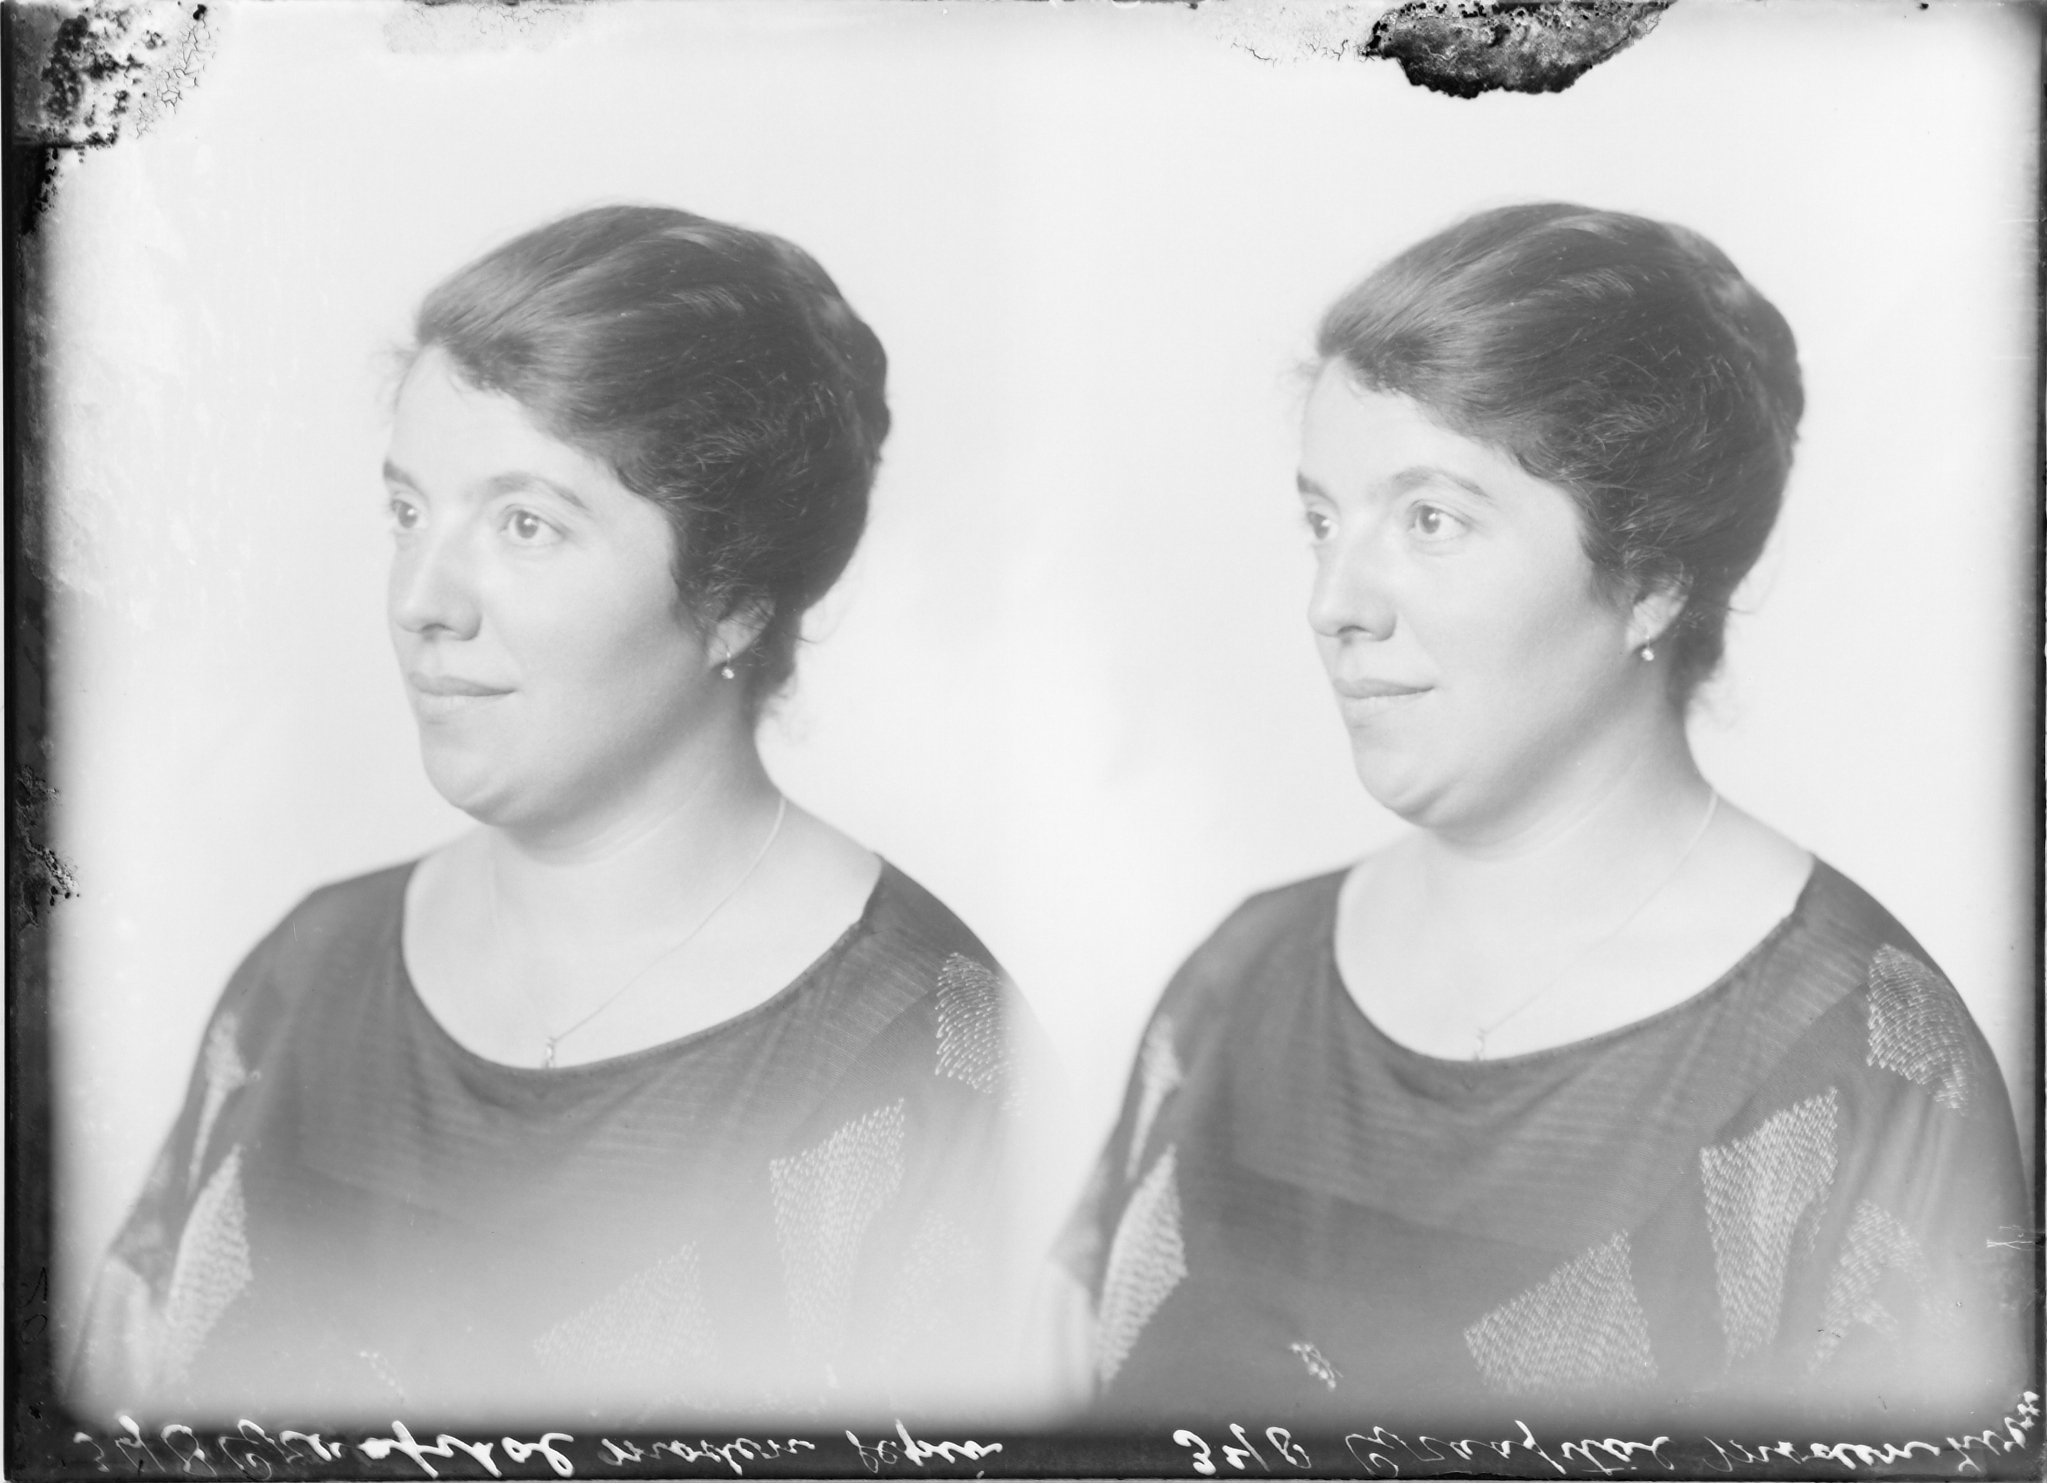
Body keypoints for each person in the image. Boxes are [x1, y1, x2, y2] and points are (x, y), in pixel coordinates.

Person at [1052, 204, 2031, 1432]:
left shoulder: (1866, 1067)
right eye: (1322, 520)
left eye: (1431, 519)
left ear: (1651, 577)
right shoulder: (1236, 983)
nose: (1335, 599)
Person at [71, 205, 1040, 1426]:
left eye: (524, 524)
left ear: (734, 596)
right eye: (409, 511)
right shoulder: (304, 974)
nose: (422, 599)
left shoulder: (934, 1059)